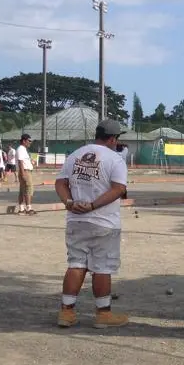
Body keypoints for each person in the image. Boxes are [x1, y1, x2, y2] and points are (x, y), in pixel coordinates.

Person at [55, 120, 130, 329]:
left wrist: (69, 203)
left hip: (76, 219)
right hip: (104, 221)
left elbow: (60, 183)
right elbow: (118, 189)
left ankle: (66, 312)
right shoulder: (115, 159)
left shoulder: (76, 155)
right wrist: (93, 205)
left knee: (76, 264)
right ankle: (103, 314)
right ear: (113, 139)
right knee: (102, 267)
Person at [16, 134, 36, 215]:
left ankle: (21, 209)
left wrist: (31, 162)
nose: (30, 143)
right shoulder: (21, 149)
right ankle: (28, 208)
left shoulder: (23, 149)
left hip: (26, 170)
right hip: (25, 171)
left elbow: (23, 161)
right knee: (28, 189)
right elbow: (20, 161)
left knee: (22, 190)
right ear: (24, 141)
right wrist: (23, 173)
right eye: (29, 141)